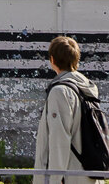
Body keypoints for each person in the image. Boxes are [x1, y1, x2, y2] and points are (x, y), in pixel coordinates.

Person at [34, 36, 101, 184]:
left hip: (69, 178)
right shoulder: (85, 89)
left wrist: (55, 180)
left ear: (52, 60)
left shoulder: (60, 92)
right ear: (76, 60)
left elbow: (59, 139)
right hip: (88, 175)